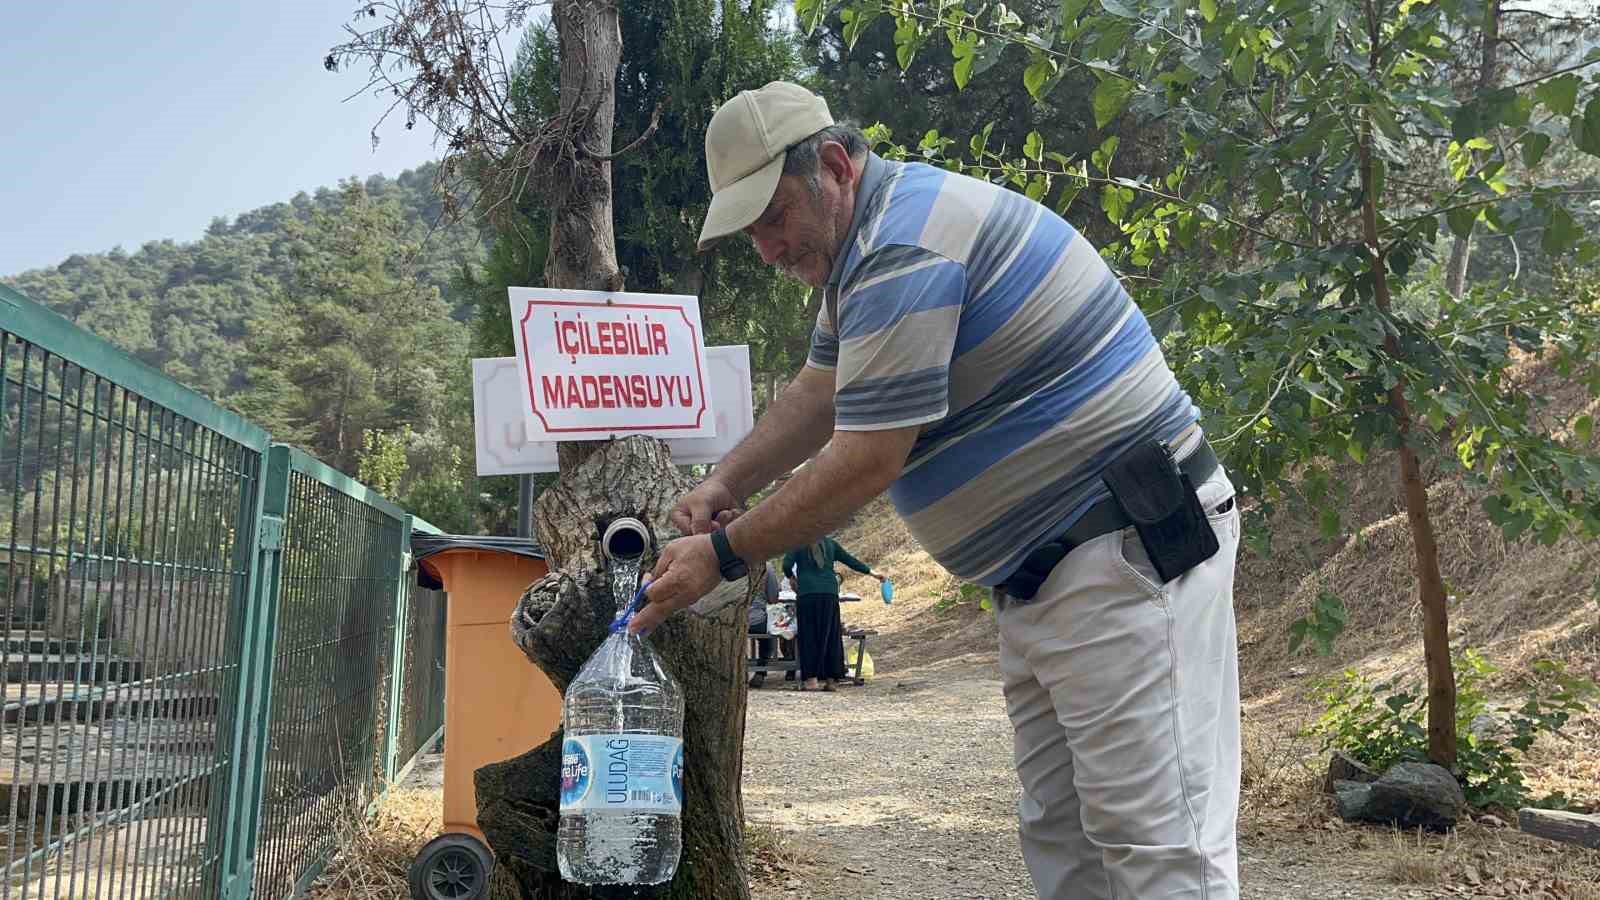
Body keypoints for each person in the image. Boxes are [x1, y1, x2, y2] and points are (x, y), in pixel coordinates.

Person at [632, 81, 1242, 900]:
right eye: (752, 233)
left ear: (836, 167)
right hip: (1058, 575)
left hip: (1124, 553)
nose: (768, 250)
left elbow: (867, 458)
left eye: (773, 218)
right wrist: (725, 480)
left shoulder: (901, 247)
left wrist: (723, 552)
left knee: (1158, 854)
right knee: (1067, 846)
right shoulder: (859, 258)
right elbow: (821, 392)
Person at [781, 536, 882, 692]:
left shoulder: (797, 542)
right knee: (831, 636)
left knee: (809, 635)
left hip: (807, 594)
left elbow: (787, 564)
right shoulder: (830, 544)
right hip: (829, 594)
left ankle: (811, 680)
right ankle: (831, 680)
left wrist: (792, 578)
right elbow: (851, 561)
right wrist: (874, 574)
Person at [746, 562, 794, 688]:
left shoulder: (730, 564)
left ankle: (740, 667)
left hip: (732, 618)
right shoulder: (766, 567)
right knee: (770, 632)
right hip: (756, 620)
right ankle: (761, 671)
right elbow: (773, 598)